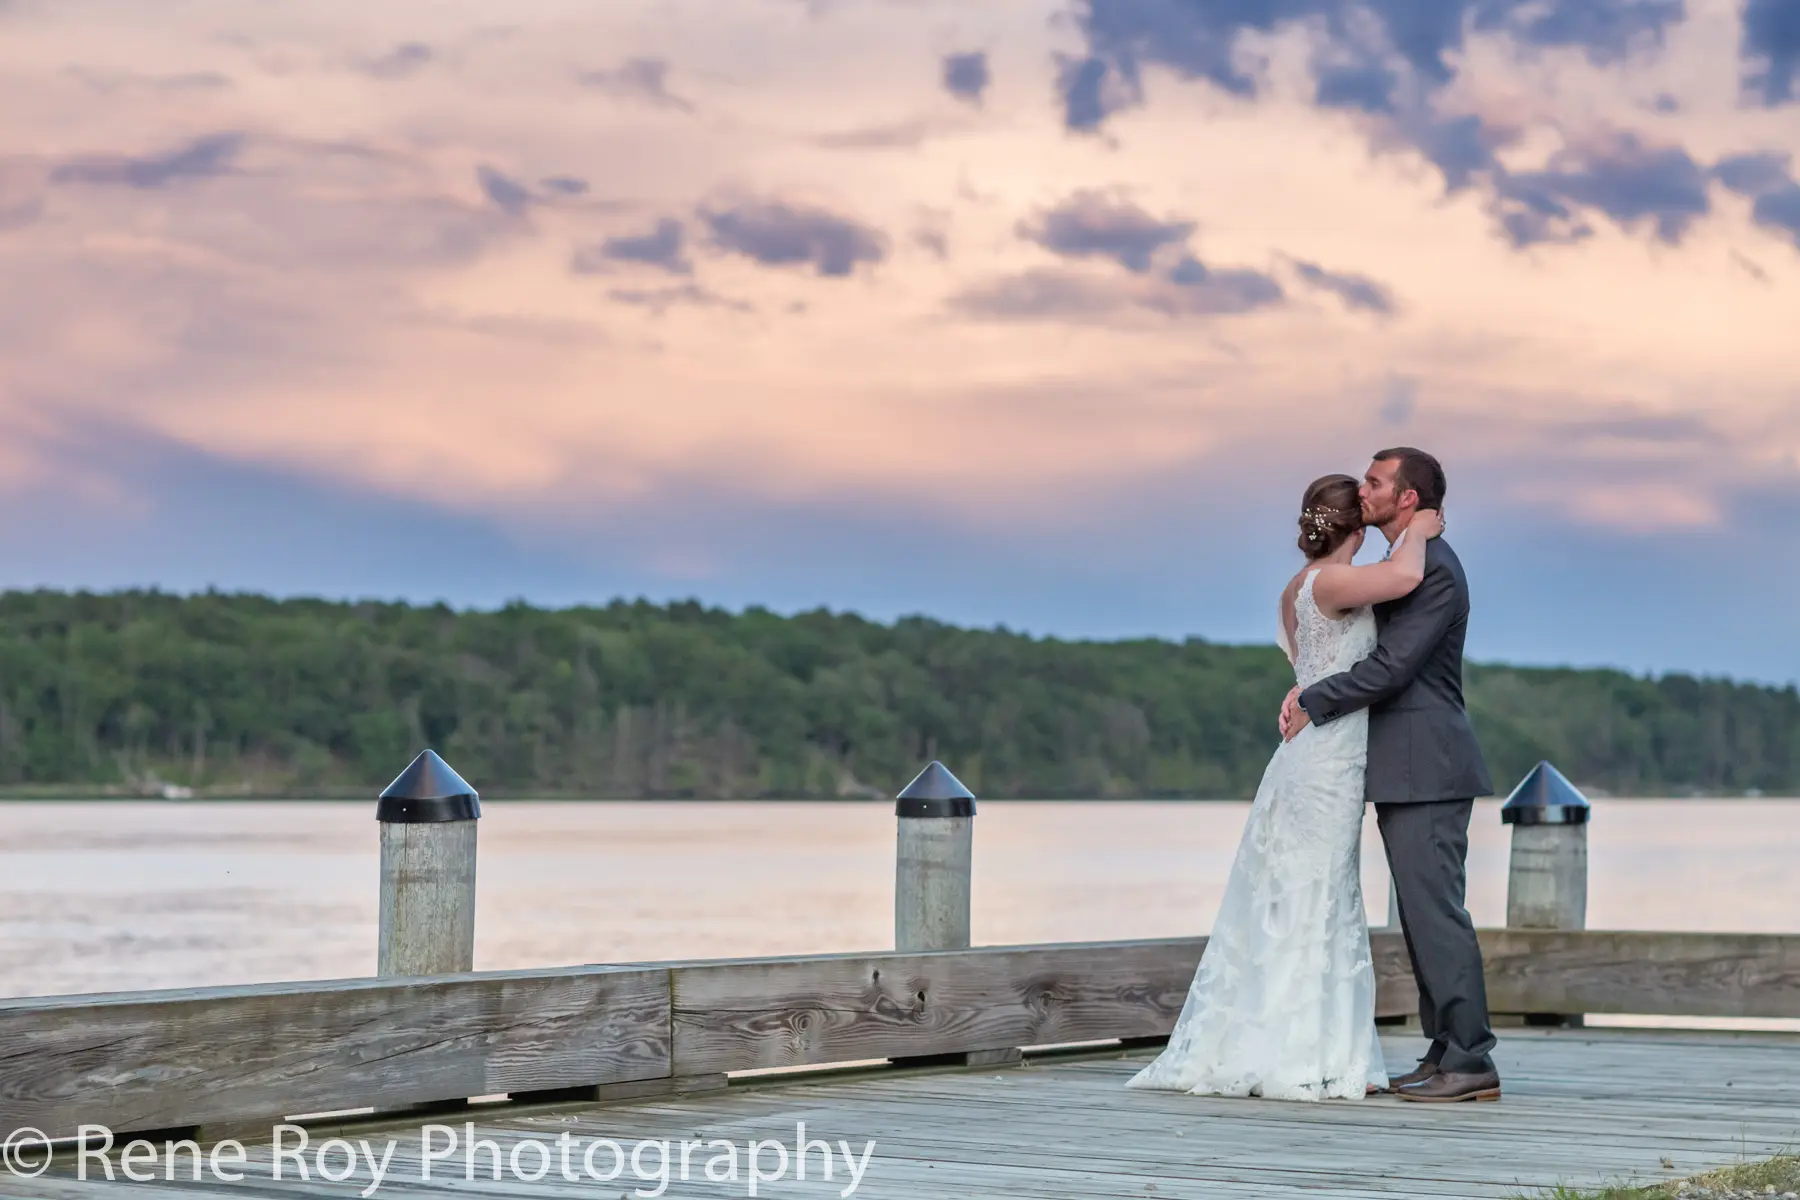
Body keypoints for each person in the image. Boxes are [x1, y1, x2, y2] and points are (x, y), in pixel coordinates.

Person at [1125, 470, 1439, 1102]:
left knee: (1295, 897)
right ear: (1356, 522)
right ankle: (1302, 1052)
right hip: (1326, 761)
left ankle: (1296, 1044)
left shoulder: (1295, 587)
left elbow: (1313, 667)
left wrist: (1302, 691)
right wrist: (1423, 527)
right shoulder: (1334, 580)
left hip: (1308, 754)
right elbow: (1405, 578)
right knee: (1316, 897)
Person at [1280, 447, 1500, 1103]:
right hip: (1402, 766)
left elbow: (1393, 669)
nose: (1365, 489)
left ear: (1408, 498)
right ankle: (1443, 1053)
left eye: (1376, 481)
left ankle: (1471, 1059)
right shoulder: (1402, 563)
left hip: (1427, 763)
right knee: (1419, 916)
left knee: (1436, 915)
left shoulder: (1434, 570)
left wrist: (1314, 700)